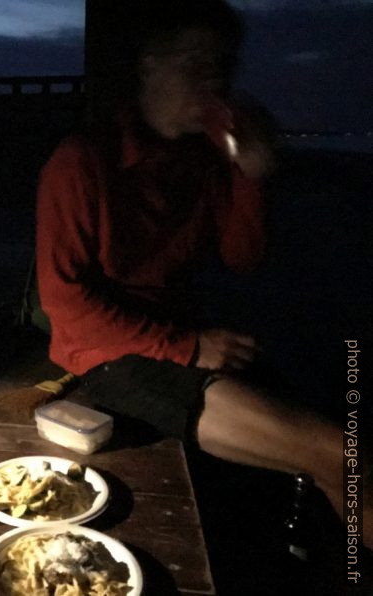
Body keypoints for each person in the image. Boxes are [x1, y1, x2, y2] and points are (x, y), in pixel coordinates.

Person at [35, 0, 371, 549]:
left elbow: (242, 257)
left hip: (183, 339)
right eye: (195, 63)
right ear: (148, 64)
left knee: (342, 433)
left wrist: (251, 173)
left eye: (221, 67)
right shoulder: (82, 161)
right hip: (107, 358)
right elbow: (65, 302)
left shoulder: (200, 160)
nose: (213, 81)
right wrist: (188, 346)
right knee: (339, 451)